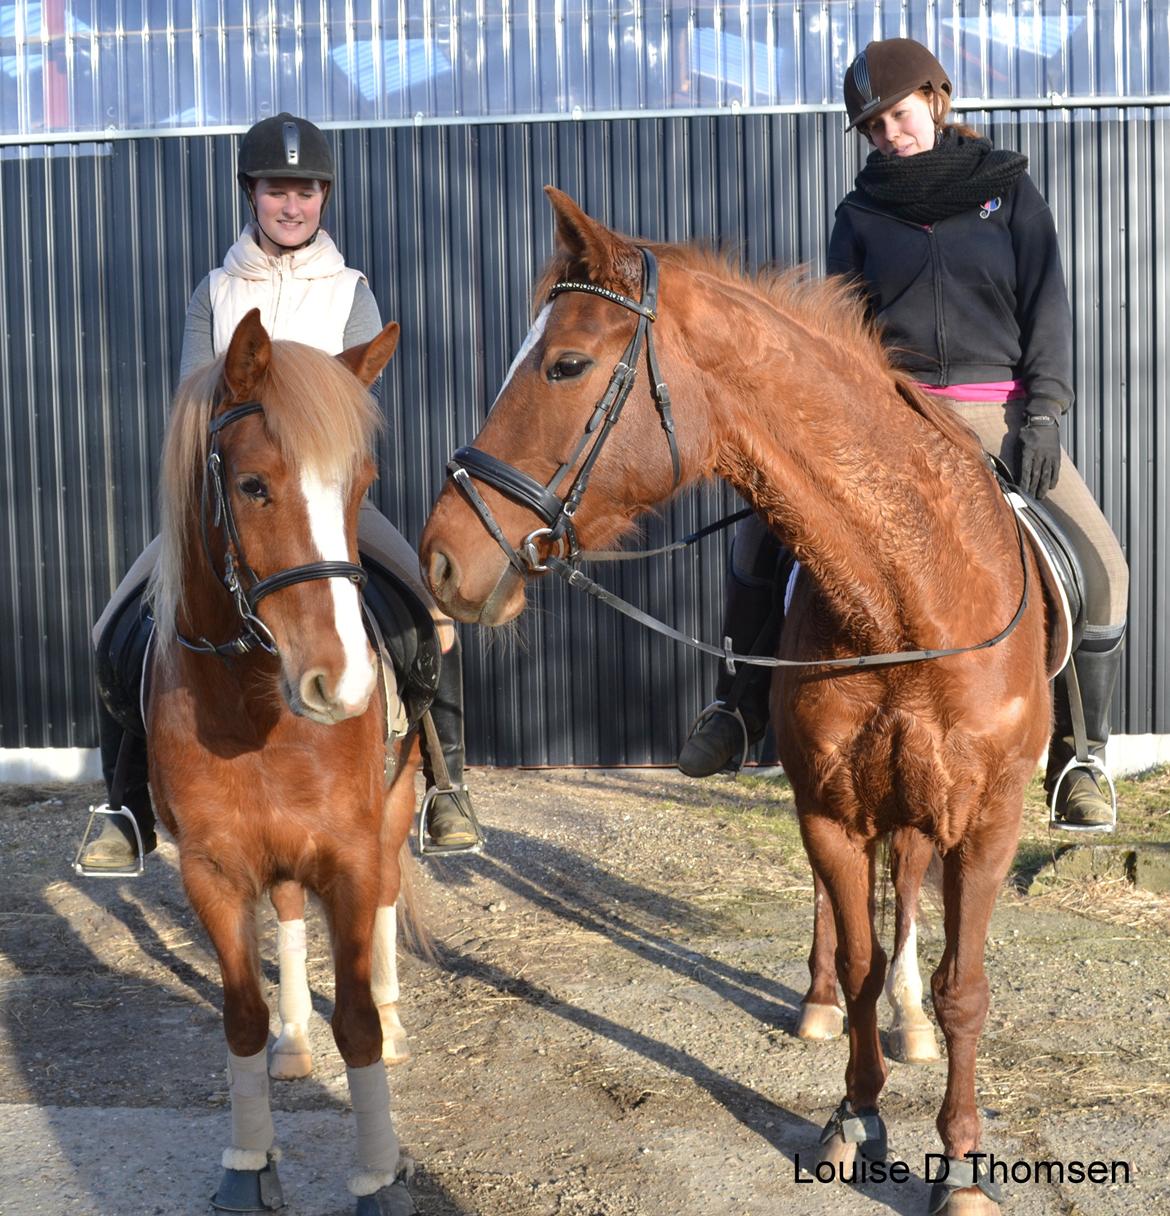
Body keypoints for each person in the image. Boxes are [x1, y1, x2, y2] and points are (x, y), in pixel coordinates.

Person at [678, 39, 1129, 830]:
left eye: (898, 113)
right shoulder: (861, 215)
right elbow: (841, 334)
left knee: (1107, 568)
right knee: (763, 531)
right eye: (875, 126)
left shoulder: (1010, 192)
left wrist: (1046, 413)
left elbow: (1048, 313)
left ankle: (1081, 757)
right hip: (896, 415)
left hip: (999, 414)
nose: (890, 133)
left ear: (936, 97)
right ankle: (737, 705)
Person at [79, 112, 480, 869]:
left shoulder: (350, 292)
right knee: (112, 628)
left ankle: (446, 784)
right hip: (237, 503)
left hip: (324, 503)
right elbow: (193, 408)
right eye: (275, 191)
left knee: (430, 615)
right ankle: (124, 804)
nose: (290, 206)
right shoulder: (217, 291)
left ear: (323, 198)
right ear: (251, 194)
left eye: (305, 191)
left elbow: (356, 409)